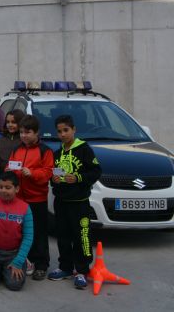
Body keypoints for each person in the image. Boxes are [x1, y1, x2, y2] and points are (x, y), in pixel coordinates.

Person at [48, 115, 102, 289]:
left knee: (81, 237)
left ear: (74, 130)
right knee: (63, 236)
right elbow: (53, 176)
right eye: (59, 131)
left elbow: (96, 172)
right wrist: (54, 180)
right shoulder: (57, 153)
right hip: (61, 201)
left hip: (79, 202)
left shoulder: (84, 149)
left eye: (66, 130)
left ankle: (82, 271)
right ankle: (65, 267)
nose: (62, 134)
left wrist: (78, 177)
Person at [7, 115, 53, 280]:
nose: (24, 136)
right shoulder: (17, 149)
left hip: (37, 200)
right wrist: (9, 173)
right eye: (21, 132)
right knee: (23, 233)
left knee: (39, 233)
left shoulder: (44, 150)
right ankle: (27, 261)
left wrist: (32, 173)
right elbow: (10, 166)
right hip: (19, 200)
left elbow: (48, 172)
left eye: (28, 132)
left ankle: (41, 265)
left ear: (36, 132)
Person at [0, 109, 25, 180]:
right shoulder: (0, 139)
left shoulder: (24, 140)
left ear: (21, 123)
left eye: (13, 122)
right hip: (4, 179)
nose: (10, 125)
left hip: (21, 179)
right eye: (8, 122)